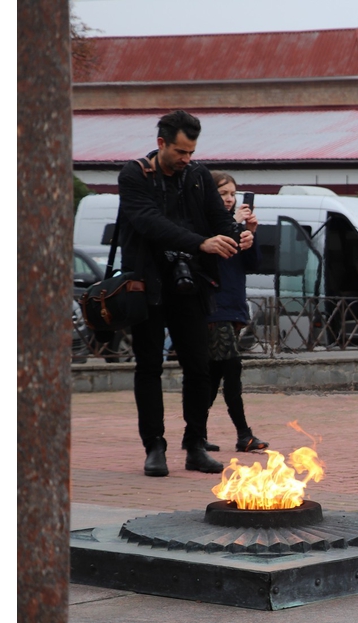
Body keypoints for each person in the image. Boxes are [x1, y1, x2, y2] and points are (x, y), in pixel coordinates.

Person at [118, 110, 254, 477]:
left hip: (191, 285)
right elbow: (149, 222)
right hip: (147, 284)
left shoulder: (197, 176)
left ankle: (195, 444)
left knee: (199, 367)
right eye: (180, 152)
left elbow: (217, 217)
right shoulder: (134, 175)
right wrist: (202, 243)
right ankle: (154, 447)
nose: (186, 159)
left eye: (191, 152)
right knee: (149, 366)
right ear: (161, 143)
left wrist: (236, 232)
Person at [201, 171, 271, 454]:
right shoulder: (207, 224)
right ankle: (244, 434)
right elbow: (210, 256)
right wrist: (234, 224)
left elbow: (251, 264)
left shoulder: (235, 225)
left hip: (234, 308)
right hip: (213, 308)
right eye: (223, 195)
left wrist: (250, 233)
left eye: (232, 194)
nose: (229, 199)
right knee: (231, 368)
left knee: (215, 374)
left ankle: (194, 433)